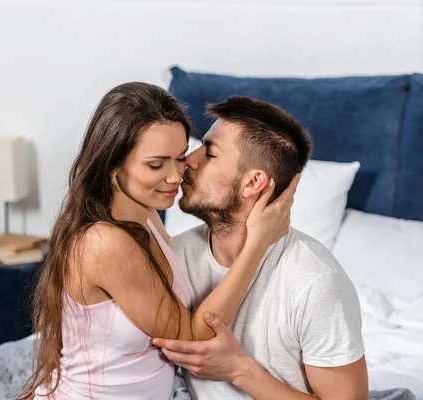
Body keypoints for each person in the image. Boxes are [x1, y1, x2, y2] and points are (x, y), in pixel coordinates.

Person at [19, 83, 298, 399]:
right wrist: (257, 245)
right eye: (156, 164)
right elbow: (193, 341)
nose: (175, 176)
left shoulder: (144, 215)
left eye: (179, 158)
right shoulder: (105, 242)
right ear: (113, 164)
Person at [152, 96, 369, 399]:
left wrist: (238, 370)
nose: (189, 159)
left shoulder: (315, 282)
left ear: (253, 182)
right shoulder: (178, 254)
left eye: (210, 152)